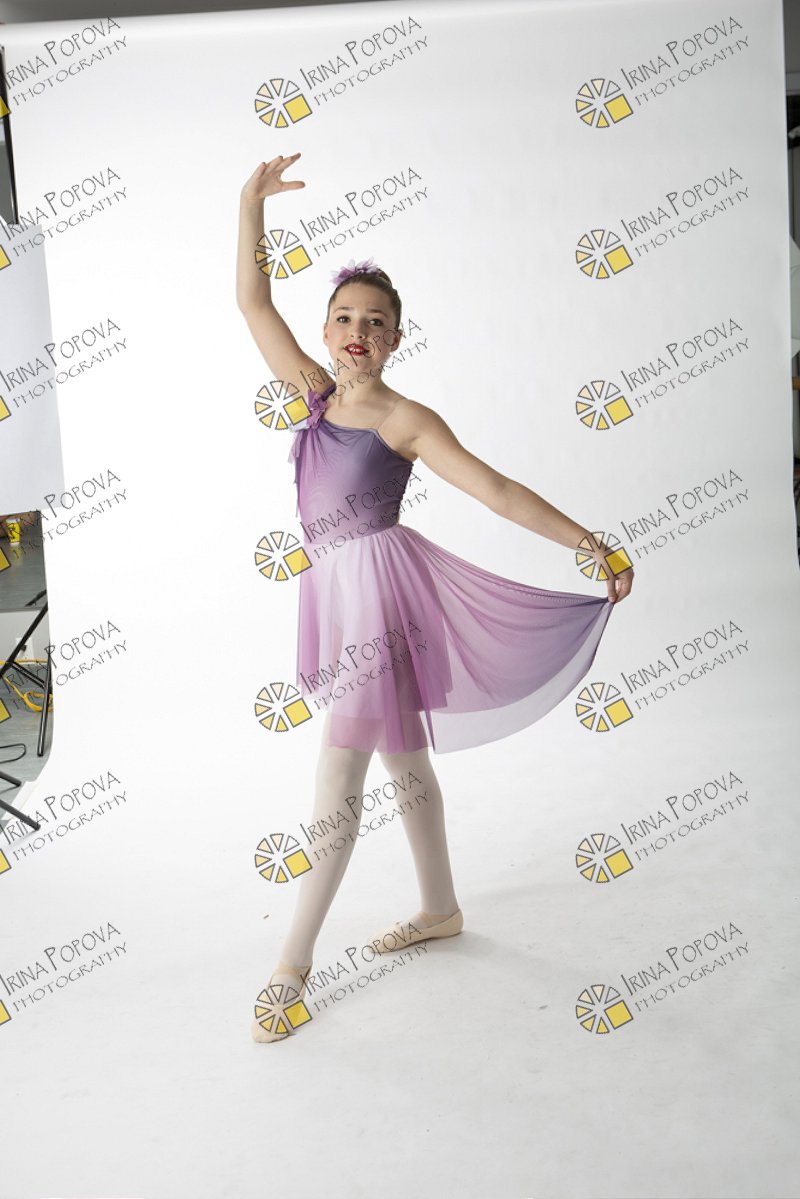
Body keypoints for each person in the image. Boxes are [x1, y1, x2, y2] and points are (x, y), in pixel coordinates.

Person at [237, 155, 634, 1043]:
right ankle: (441, 908)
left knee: (338, 776)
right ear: (326, 330)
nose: (358, 331)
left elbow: (495, 489)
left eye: (375, 323)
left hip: (382, 604)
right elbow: (253, 303)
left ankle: (291, 966)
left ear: (395, 340)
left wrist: (590, 542)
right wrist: (249, 207)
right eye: (345, 318)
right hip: (340, 596)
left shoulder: (403, 420)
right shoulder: (312, 397)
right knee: (405, 761)